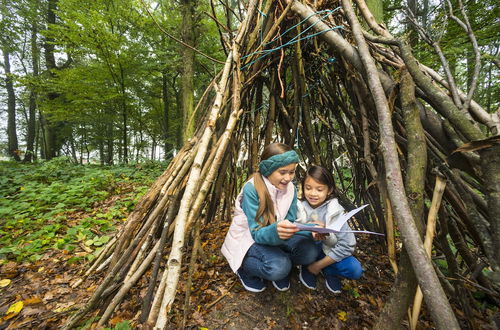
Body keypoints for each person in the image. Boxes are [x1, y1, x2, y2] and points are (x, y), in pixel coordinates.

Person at [221, 143, 318, 292]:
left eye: (292, 172)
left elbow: (290, 222)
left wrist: (312, 230)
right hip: (250, 238)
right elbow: (257, 233)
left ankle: (280, 260)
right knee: (279, 267)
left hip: (276, 236)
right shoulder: (252, 189)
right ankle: (245, 269)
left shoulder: (290, 188)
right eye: (282, 172)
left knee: (310, 251)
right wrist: (277, 231)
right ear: (268, 170)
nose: (288, 178)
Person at [296, 165, 363, 293]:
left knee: (355, 270)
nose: (313, 193)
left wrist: (318, 266)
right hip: (306, 251)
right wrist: (310, 229)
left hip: (328, 252)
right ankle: (306, 266)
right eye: (308, 188)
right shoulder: (298, 208)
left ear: (329, 190)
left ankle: (328, 270)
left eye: (319, 189)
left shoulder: (335, 211)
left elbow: (347, 245)